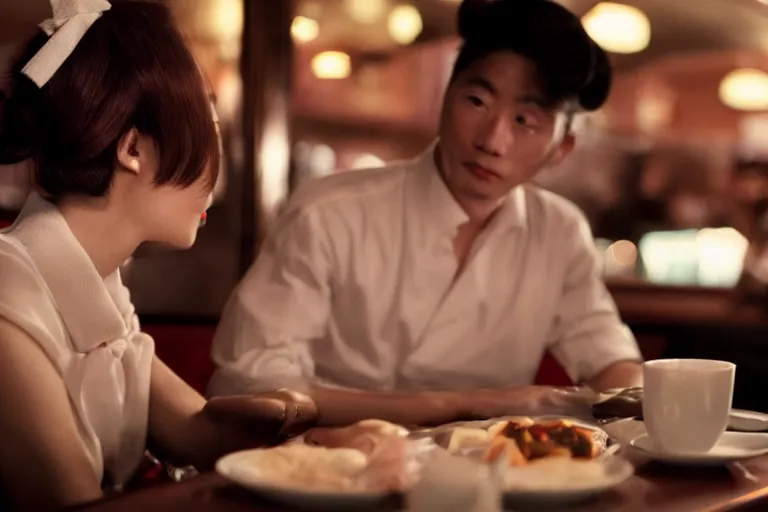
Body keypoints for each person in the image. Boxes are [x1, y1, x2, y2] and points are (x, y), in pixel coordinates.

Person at [209, 0, 643, 426]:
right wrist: (461, 405)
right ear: (445, 96)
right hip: (326, 470)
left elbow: (611, 361)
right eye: (477, 101)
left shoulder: (558, 232)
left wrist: (640, 395)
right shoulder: (330, 212)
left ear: (560, 149)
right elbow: (250, 383)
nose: (493, 140)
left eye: (525, 121)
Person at [0, 1, 315, 509]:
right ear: (133, 149)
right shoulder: (9, 296)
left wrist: (311, 418)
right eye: (207, 122)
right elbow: (74, 502)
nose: (215, 158)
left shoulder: (97, 283)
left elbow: (195, 430)